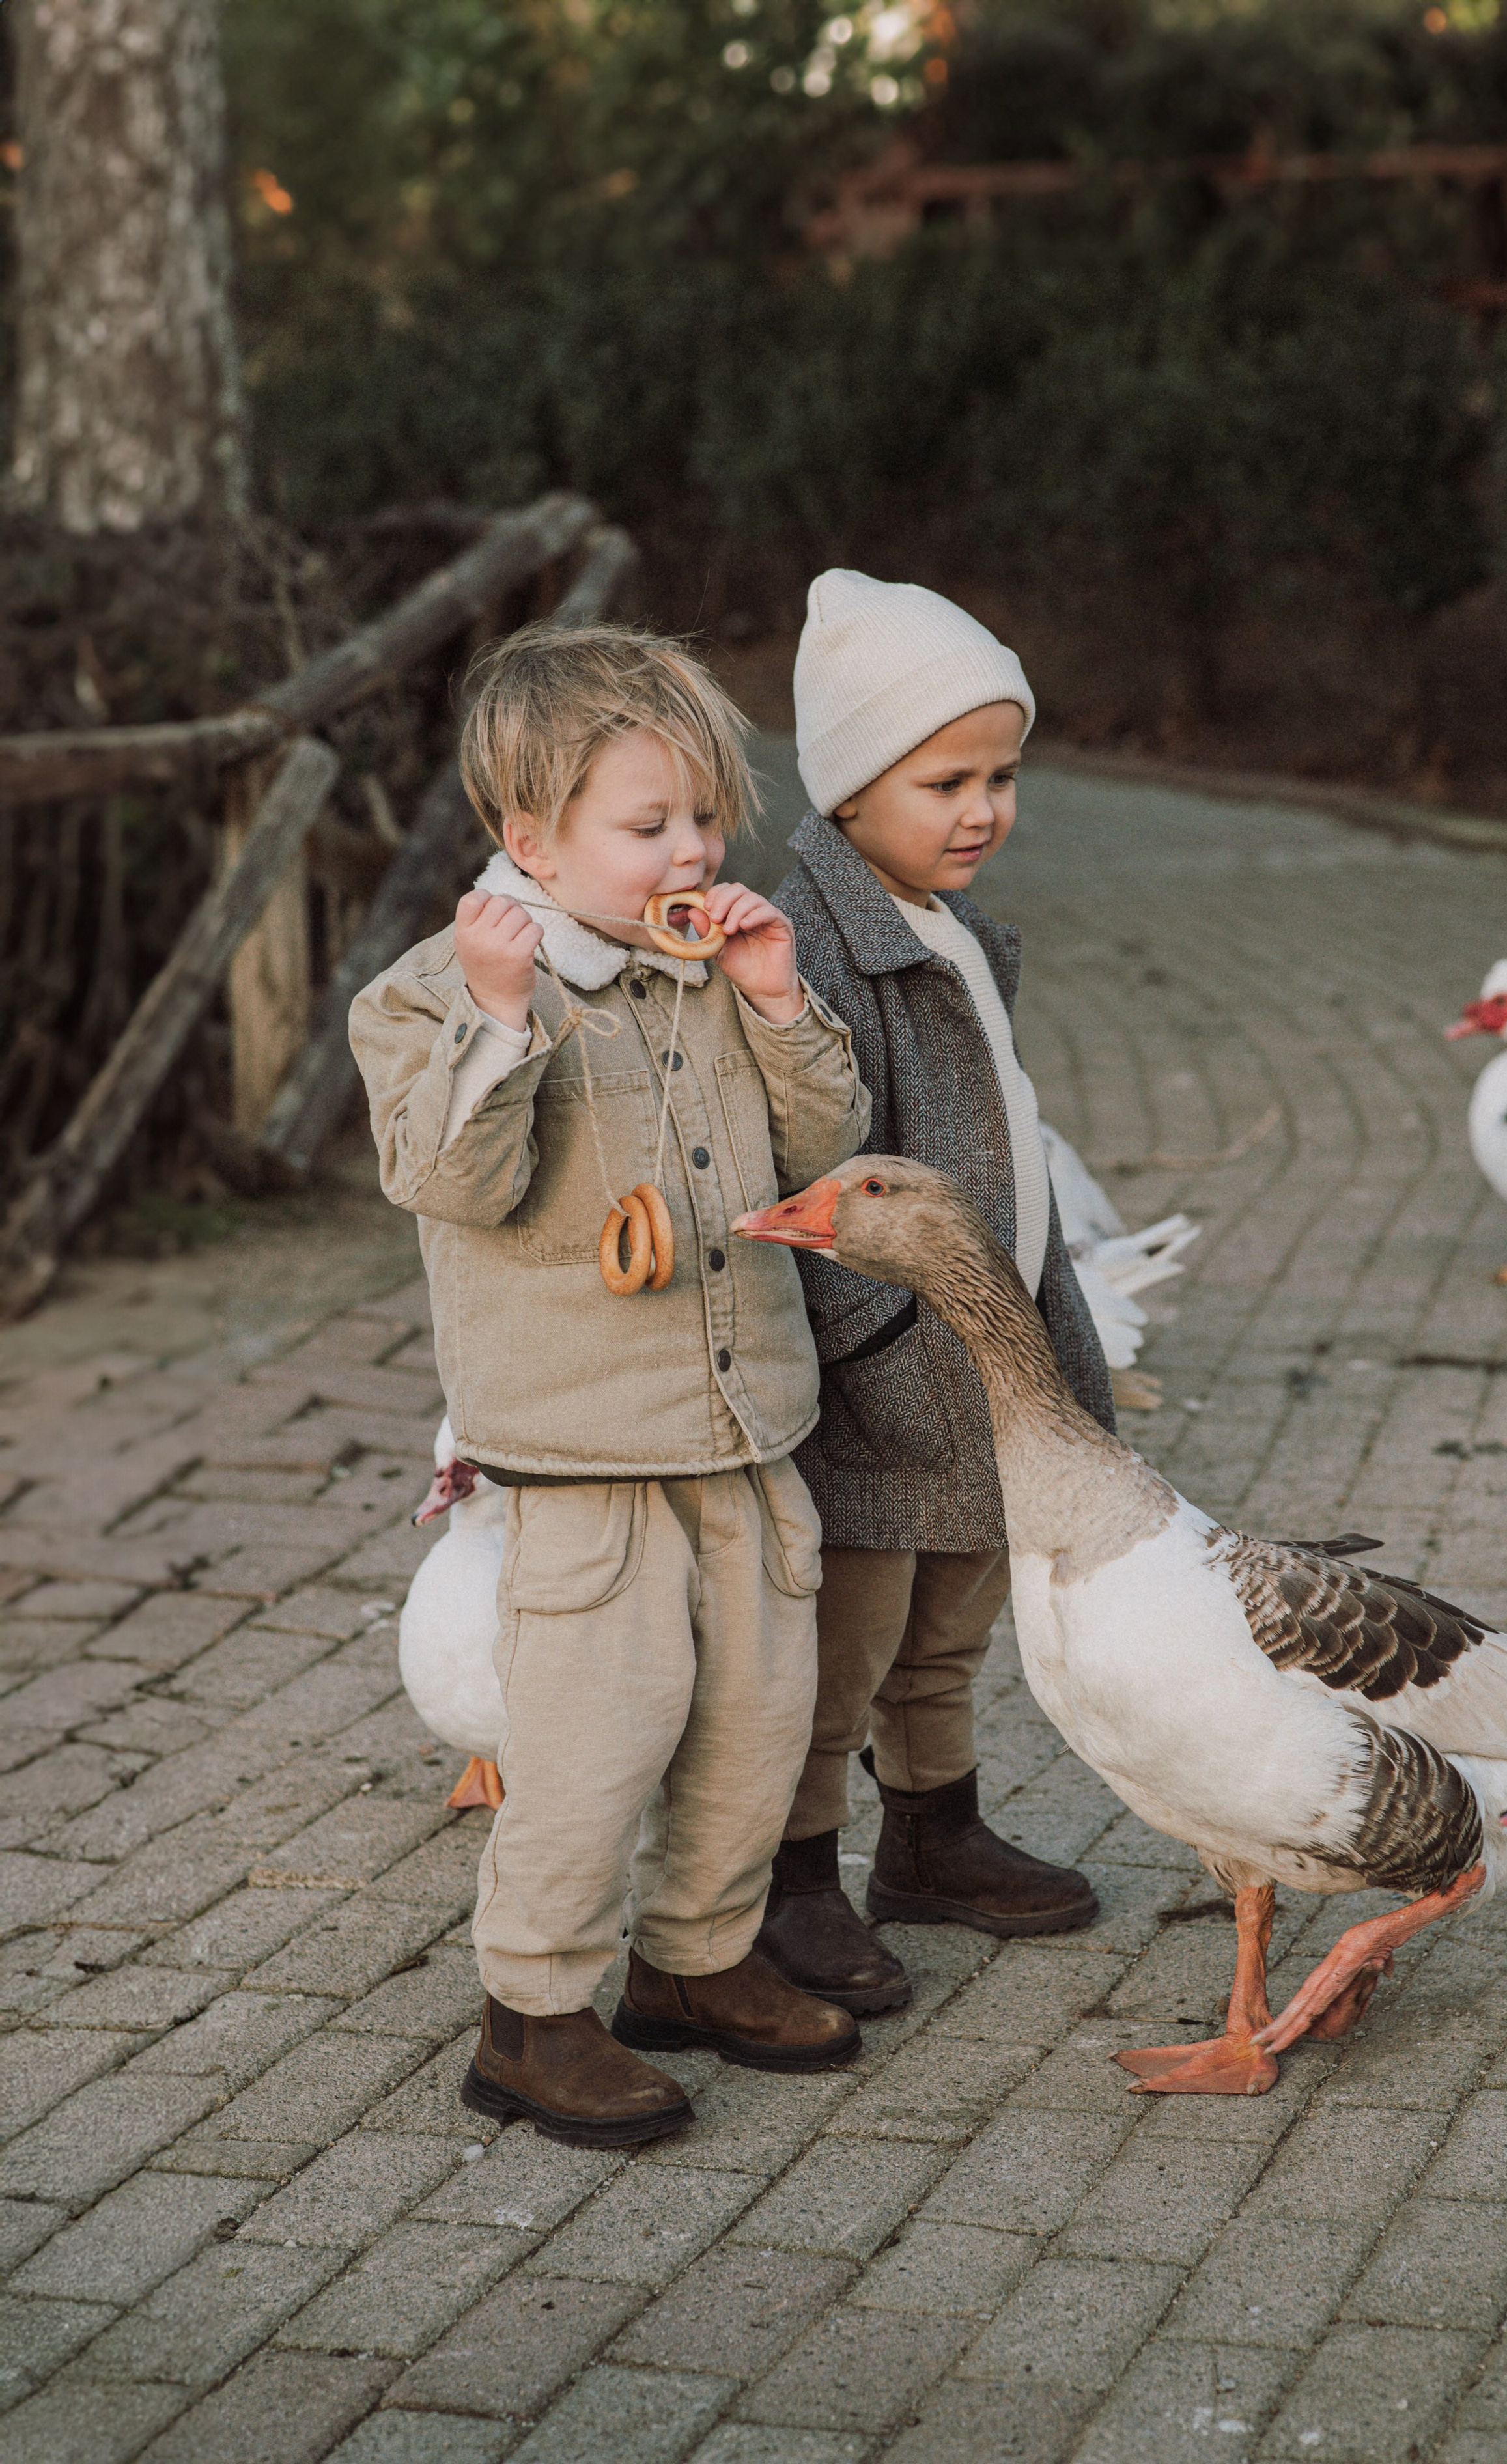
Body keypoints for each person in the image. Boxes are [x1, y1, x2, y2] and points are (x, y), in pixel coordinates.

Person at [350, 621, 871, 2146]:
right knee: (596, 1733)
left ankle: (694, 1961)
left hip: (743, 1418)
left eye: (703, 815)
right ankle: (531, 2012)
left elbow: (817, 1149)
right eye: (647, 826)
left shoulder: (704, 967)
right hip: (584, 1447)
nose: (691, 848)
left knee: (758, 1715)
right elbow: (451, 1178)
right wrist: (501, 1018)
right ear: (531, 840)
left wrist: (778, 999)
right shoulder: (432, 992)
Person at [756, 571, 1118, 2015]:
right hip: (884, 1354)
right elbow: (815, 1151)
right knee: (848, 1628)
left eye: (1002, 775)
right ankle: (790, 1876)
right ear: (849, 783)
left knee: (952, 1608)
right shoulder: (818, 938)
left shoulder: (940, 914)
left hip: (982, 1334)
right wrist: (884, 1326)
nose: (981, 809)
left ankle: (933, 1828)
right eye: (944, 779)